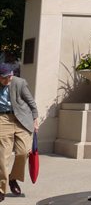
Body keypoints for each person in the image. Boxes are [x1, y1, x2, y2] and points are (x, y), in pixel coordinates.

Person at [0, 63, 38, 200]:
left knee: (23, 152)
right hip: (3, 118)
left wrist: (35, 119)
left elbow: (31, 102)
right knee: (3, 156)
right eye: (4, 77)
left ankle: (13, 178)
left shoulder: (19, 83)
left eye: (10, 76)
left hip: (21, 119)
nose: (8, 80)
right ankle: (1, 189)